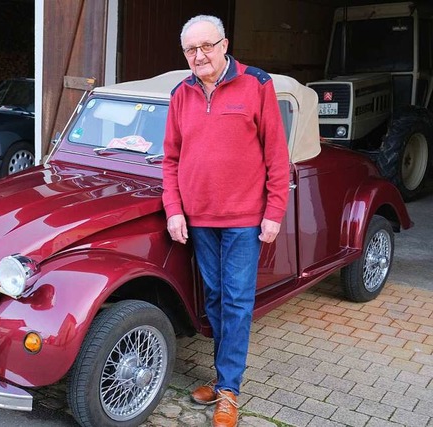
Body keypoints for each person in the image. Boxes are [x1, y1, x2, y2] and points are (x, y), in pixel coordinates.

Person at [161, 15, 289, 427]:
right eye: (191, 50)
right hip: (199, 219)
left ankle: (230, 390)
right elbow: (170, 159)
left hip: (244, 220)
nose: (199, 56)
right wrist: (174, 209)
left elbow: (276, 155)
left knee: (236, 302)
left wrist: (274, 213)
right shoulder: (181, 93)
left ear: (224, 44)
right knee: (214, 300)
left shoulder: (257, 84)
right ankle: (221, 381)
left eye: (206, 46)